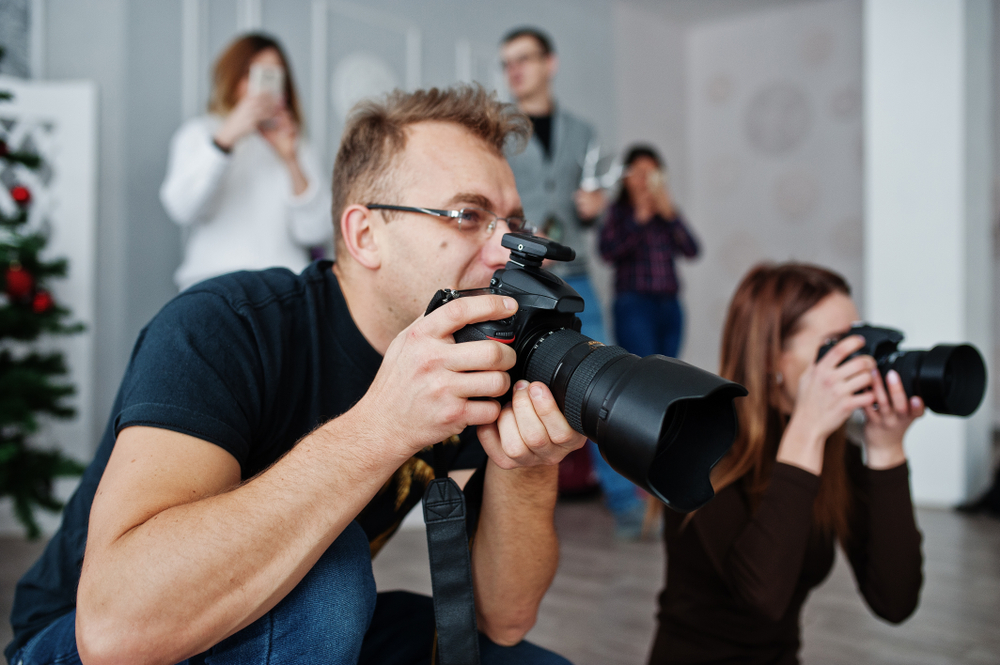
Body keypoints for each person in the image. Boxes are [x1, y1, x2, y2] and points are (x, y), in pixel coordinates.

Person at [6, 85, 583, 665]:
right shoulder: (224, 325)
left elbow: (502, 619)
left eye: (514, 224)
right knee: (331, 574)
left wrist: (527, 470)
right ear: (364, 235)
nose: (507, 253)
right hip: (81, 636)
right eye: (468, 215)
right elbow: (114, 628)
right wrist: (380, 428)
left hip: (283, 618)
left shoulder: (472, 360)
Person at [647, 263, 925, 664]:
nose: (859, 363)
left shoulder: (834, 452)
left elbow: (895, 601)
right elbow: (763, 597)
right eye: (836, 345)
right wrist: (806, 434)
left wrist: (885, 451)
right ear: (770, 357)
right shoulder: (699, 444)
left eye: (858, 344)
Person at [501, 27, 641, 533]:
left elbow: (593, 206)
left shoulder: (581, 132)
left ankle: (626, 505)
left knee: (605, 383)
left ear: (549, 63)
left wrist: (596, 209)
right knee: (513, 387)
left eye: (523, 59)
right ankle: (514, 515)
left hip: (576, 278)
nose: (514, 70)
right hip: (521, 279)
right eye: (507, 63)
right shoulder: (497, 130)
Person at [160, 33, 332, 292]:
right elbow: (182, 208)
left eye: (275, 76)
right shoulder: (200, 133)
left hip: (282, 290)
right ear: (233, 79)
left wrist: (291, 159)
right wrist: (225, 139)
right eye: (255, 75)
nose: (265, 87)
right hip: (213, 287)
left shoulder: (298, 146)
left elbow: (316, 231)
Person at [599, 145, 698, 361]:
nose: (645, 180)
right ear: (626, 178)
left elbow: (692, 250)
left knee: (669, 370)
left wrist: (671, 215)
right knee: (642, 371)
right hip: (634, 304)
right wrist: (638, 221)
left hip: (670, 304)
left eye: (651, 174)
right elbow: (607, 253)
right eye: (639, 173)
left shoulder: (666, 213)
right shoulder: (617, 212)